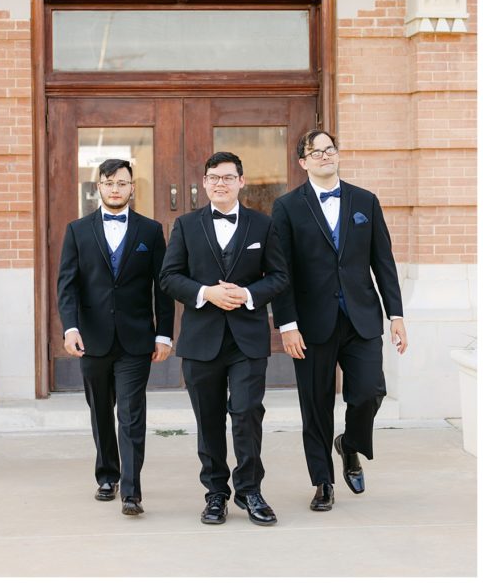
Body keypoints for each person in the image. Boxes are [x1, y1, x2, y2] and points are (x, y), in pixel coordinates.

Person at [271, 130, 407, 511]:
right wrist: (287, 324)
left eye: (330, 149)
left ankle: (349, 444)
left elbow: (383, 261)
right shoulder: (287, 207)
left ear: (337, 155)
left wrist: (395, 314)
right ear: (303, 162)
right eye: (316, 152)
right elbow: (281, 272)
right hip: (311, 324)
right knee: (314, 406)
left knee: (370, 391)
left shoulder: (365, 201)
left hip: (361, 317)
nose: (325, 156)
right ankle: (323, 482)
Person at [159, 152, 288, 526]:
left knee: (247, 413)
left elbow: (279, 276)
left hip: (247, 339)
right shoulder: (185, 225)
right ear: (204, 181)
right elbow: (169, 277)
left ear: (241, 182)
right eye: (214, 177)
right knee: (209, 420)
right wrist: (206, 293)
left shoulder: (262, 226)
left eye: (228, 177)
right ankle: (216, 494)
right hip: (202, 340)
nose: (220, 183)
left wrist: (247, 295)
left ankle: (250, 490)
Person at [56, 158, 175, 516]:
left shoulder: (151, 231)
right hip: (92, 338)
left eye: (122, 183)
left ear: (132, 187)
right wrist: (70, 327)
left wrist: (164, 334)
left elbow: (163, 287)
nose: (115, 189)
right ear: (98, 188)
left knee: (131, 412)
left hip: (136, 339)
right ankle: (106, 474)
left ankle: (131, 490)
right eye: (108, 183)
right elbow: (67, 285)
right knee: (100, 411)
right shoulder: (77, 230)